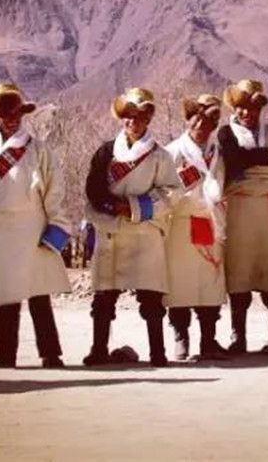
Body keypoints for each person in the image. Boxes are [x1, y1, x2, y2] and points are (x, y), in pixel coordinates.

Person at [0, 82, 70, 368]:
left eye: (15, 113)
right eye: (4, 115)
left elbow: (54, 189)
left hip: (33, 226)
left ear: (22, 114)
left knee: (39, 293)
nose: (11, 119)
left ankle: (50, 353)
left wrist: (56, 225)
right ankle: (6, 353)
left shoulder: (39, 149)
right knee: (5, 293)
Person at [84, 87, 178, 367]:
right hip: (111, 230)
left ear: (148, 119)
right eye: (128, 116)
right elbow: (93, 188)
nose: (133, 122)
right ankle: (98, 350)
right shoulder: (105, 152)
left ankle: (158, 353)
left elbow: (171, 193)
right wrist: (112, 206)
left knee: (151, 297)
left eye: (139, 117)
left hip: (144, 232)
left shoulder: (160, 156)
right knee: (104, 296)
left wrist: (134, 206)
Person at [219, 79, 268, 355]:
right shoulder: (225, 135)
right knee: (239, 273)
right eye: (241, 107)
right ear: (234, 108)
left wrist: (245, 167)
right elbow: (229, 167)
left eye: (253, 108)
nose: (247, 113)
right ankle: (238, 336)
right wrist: (263, 162)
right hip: (238, 213)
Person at [164, 94, 229, 361]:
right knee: (180, 283)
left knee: (210, 282)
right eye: (196, 118)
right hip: (182, 223)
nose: (201, 124)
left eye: (208, 120)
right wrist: (182, 184)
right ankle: (181, 337)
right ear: (187, 119)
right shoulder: (171, 152)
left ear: (215, 124)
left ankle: (209, 340)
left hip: (211, 221)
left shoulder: (219, 153)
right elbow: (162, 191)